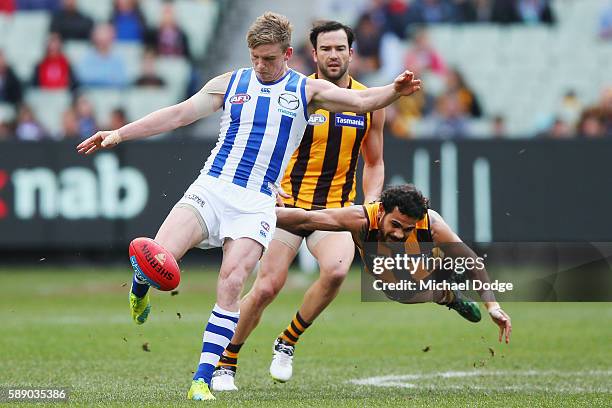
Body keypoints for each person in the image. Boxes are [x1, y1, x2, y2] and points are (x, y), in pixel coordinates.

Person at [76, 12, 421, 401]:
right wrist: (119, 134)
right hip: (211, 188)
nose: (261, 65)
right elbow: (178, 114)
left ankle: (203, 377)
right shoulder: (232, 82)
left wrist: (394, 89)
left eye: (269, 59)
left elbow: (361, 100)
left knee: (233, 282)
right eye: (255, 57)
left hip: (257, 202)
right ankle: (141, 283)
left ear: (288, 54)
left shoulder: (307, 91)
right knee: (160, 257)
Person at [211, 20, 386, 391]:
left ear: (351, 53)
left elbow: (374, 162)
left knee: (337, 272)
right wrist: (267, 185)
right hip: (287, 208)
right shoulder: (297, 94)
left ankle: (287, 341)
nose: (334, 55)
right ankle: (226, 360)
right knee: (266, 288)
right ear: (314, 54)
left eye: (340, 48)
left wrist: (370, 202)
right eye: (326, 49)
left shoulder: (369, 102)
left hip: (334, 211)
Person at [274, 184, 512, 342]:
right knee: (398, 290)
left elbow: (472, 260)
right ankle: (450, 294)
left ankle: (445, 272)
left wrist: (493, 306)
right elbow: (308, 218)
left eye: (407, 228)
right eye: (395, 225)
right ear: (381, 213)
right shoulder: (360, 218)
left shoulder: (432, 225)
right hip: (390, 272)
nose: (399, 233)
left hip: (423, 259)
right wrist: (259, 212)